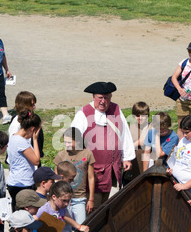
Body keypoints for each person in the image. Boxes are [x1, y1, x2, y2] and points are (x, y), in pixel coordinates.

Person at [71, 81, 135, 209]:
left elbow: (125, 134)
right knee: (94, 207)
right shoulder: (84, 113)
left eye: (106, 98)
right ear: (93, 97)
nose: (103, 101)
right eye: (100, 98)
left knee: (111, 205)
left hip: (113, 169)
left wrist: (127, 157)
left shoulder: (116, 109)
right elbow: (73, 139)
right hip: (93, 171)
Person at [54, 127, 96, 223]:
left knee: (80, 225)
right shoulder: (61, 155)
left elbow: (91, 178)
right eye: (65, 142)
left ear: (77, 141)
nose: (66, 145)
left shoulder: (87, 154)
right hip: (62, 198)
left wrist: (91, 199)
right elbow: (56, 178)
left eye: (69, 142)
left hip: (79, 198)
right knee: (63, 227)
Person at [6, 110, 41, 209]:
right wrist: (35, 140)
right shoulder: (21, 142)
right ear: (33, 129)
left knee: (17, 212)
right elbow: (36, 161)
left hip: (14, 181)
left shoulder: (13, 137)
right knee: (24, 216)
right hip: (23, 183)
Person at [8, 91, 44, 163]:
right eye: (32, 105)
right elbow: (14, 143)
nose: (34, 107)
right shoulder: (17, 123)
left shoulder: (31, 118)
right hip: (24, 159)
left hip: (32, 154)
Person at [123, 102, 152, 184]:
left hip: (147, 163)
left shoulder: (151, 127)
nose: (140, 118)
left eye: (143, 116)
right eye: (137, 116)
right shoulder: (129, 128)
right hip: (133, 164)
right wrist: (138, 143)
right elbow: (124, 148)